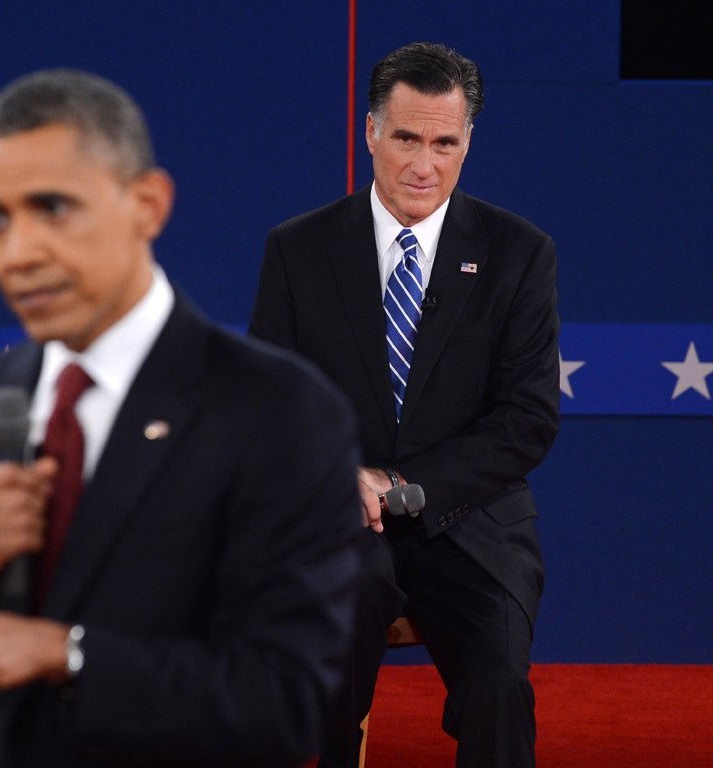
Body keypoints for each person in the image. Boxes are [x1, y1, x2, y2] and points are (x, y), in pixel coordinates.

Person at [0, 68, 378, 768]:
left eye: (53, 208)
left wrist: (65, 654)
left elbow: (283, 708)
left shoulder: (280, 411)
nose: (19, 253)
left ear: (148, 204)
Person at [249, 42, 560, 768]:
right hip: (341, 524)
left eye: (445, 142)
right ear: (371, 134)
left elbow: (527, 420)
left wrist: (400, 487)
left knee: (498, 689)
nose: (424, 165)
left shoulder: (519, 253)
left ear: (467, 143)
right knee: (328, 659)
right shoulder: (299, 248)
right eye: (407, 138)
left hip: (472, 521)